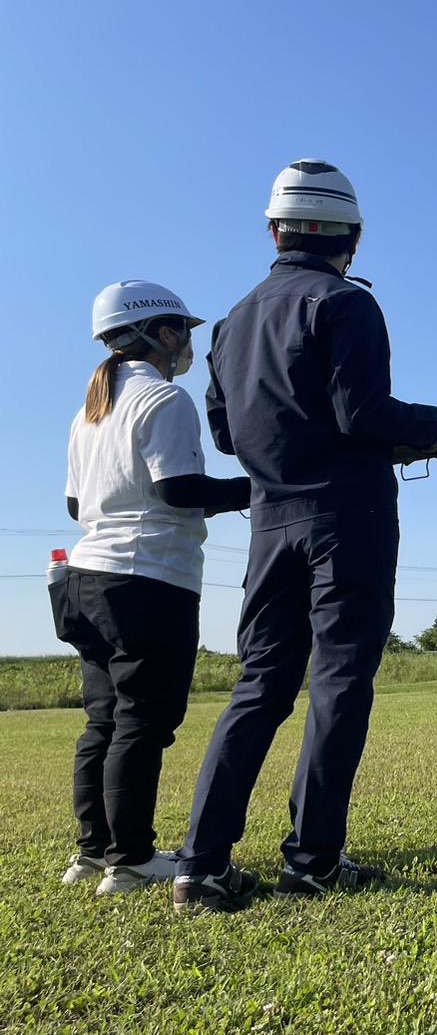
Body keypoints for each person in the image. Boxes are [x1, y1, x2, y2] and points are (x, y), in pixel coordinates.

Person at [173, 160, 437, 912]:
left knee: (260, 685)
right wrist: (434, 428)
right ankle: (312, 861)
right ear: (354, 238)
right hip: (348, 517)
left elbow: (227, 435)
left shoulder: (232, 321)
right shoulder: (345, 304)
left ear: (274, 231)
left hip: (270, 521)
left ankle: (201, 866)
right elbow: (361, 414)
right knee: (338, 683)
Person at [56, 281, 250, 896]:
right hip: (146, 580)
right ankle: (132, 859)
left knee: (103, 722)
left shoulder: (91, 410)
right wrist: (259, 489)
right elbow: (178, 491)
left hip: (83, 577)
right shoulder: (163, 399)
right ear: (162, 334)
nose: (188, 343)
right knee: (142, 722)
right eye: (183, 331)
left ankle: (92, 855)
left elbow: (72, 504)